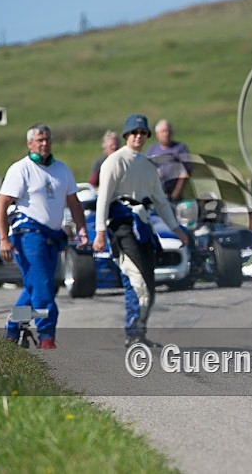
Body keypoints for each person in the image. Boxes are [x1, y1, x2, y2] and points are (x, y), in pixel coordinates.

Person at [93, 114, 188, 346]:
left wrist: (177, 229)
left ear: (147, 136)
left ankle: (140, 333)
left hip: (143, 226)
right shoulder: (115, 161)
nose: (138, 136)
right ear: (126, 135)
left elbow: (161, 202)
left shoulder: (147, 166)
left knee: (149, 284)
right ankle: (132, 333)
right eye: (134, 132)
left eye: (142, 133)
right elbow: (103, 199)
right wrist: (100, 232)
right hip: (123, 226)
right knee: (136, 281)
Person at [0, 123, 88, 349]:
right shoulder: (21, 169)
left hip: (52, 237)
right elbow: (2, 204)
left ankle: (13, 327)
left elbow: (74, 202)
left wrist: (82, 228)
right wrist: (3, 239)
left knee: (35, 288)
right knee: (43, 286)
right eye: (39, 140)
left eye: (47, 139)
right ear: (29, 143)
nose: (44, 143)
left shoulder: (62, 169)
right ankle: (47, 337)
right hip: (28, 235)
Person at [145, 119, 192, 201]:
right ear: (157, 134)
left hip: (175, 191)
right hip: (155, 191)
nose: (166, 134)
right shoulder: (152, 150)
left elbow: (185, 173)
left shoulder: (180, 148)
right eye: (163, 131)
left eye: (168, 131)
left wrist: (176, 194)